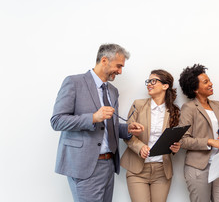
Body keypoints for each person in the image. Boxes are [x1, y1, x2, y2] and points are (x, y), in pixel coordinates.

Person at [51, 44, 144, 202]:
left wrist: (127, 129)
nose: (120, 71)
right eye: (119, 66)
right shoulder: (74, 82)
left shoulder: (113, 91)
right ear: (104, 60)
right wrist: (93, 117)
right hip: (84, 166)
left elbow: (107, 127)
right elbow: (57, 121)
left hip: (108, 165)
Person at [120, 69, 181, 202]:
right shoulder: (138, 104)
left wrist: (175, 148)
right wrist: (140, 147)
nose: (149, 84)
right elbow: (127, 132)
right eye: (148, 81)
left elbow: (174, 138)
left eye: (153, 81)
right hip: (137, 169)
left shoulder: (174, 111)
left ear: (165, 86)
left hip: (162, 171)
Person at [178, 64, 219, 202]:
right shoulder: (188, 108)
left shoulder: (218, 105)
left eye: (209, 80)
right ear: (195, 89)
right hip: (197, 168)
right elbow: (183, 140)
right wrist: (209, 141)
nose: (211, 84)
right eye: (206, 82)